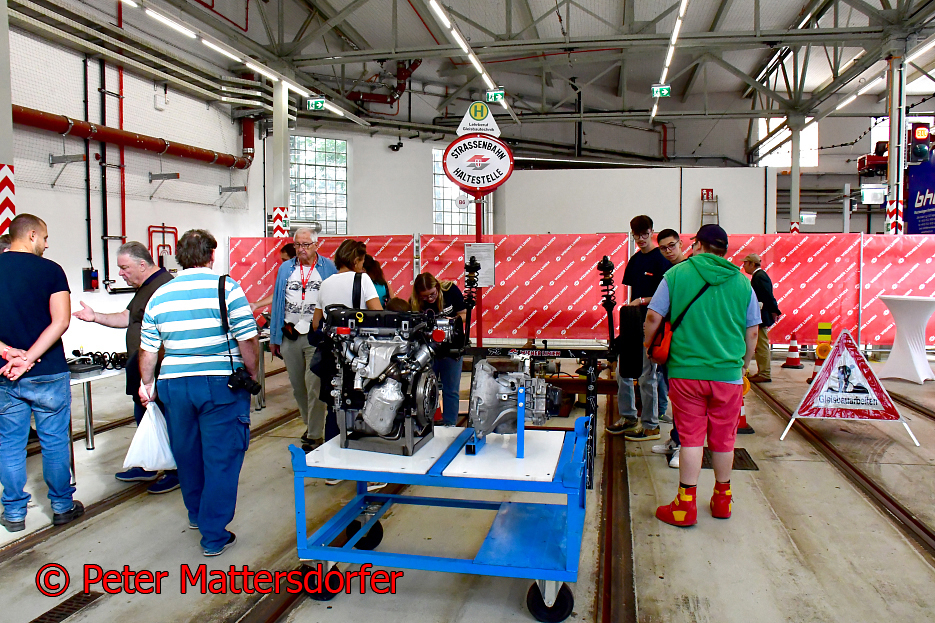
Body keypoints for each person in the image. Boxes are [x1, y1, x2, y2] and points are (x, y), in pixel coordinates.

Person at [139, 229, 259, 556]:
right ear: (211, 255)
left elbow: (148, 348)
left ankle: (196, 514)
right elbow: (247, 338)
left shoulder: (160, 294)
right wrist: (251, 372)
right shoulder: (226, 287)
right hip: (220, 384)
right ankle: (214, 535)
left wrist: (146, 383)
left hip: (174, 384)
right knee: (221, 457)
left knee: (187, 453)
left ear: (179, 257)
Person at [645, 224, 759, 527]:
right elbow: (752, 332)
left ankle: (685, 505)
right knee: (724, 439)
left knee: (692, 438)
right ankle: (722, 499)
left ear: (697, 245)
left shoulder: (676, 275)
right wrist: (743, 365)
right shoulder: (742, 282)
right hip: (728, 375)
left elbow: (653, 316)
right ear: (724, 250)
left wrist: (648, 346)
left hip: (686, 373)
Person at [0, 214, 84, 532]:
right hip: (47, 371)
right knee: (54, 441)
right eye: (45, 238)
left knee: (10, 444)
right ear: (32, 235)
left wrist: (9, 353)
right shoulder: (51, 270)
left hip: (5, 372)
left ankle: (14, 513)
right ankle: (62, 506)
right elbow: (61, 321)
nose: (47, 245)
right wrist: (30, 358)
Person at [72, 242, 177, 493]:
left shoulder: (163, 287)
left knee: (168, 420)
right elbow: (127, 318)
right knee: (145, 417)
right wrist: (95, 316)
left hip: (157, 370)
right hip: (140, 367)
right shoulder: (145, 287)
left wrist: (150, 377)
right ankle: (148, 464)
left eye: (124, 267)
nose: (120, 273)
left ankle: (176, 471)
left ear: (142, 264)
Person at [310, 239, 383, 490]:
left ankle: (333, 469)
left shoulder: (326, 283)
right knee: (366, 408)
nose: (363, 265)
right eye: (362, 261)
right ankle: (370, 474)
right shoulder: (363, 280)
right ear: (356, 260)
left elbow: (315, 324)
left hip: (333, 356)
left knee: (335, 407)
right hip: (360, 355)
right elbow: (379, 316)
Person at [269, 229, 337, 452]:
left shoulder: (327, 268)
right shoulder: (285, 269)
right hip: (290, 334)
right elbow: (278, 302)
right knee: (299, 388)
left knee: (314, 384)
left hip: (315, 336)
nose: (301, 249)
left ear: (316, 245)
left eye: (306, 245)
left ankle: (315, 434)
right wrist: (274, 337)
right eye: (297, 245)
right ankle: (312, 425)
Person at [608, 215, 671, 442]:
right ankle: (628, 416)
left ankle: (651, 425)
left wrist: (643, 301)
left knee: (647, 376)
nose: (641, 239)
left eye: (645, 234)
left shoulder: (661, 260)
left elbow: (668, 296)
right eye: (637, 235)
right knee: (622, 372)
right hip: (633, 322)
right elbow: (632, 293)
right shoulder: (635, 261)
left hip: (652, 325)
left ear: (652, 232)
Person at [410, 273, 466, 426]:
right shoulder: (414, 302)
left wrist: (452, 321)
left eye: (432, 294)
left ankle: (450, 425)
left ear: (437, 287)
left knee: (451, 390)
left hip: (452, 349)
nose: (429, 299)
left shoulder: (450, 290)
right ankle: (427, 424)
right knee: (425, 389)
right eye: (425, 296)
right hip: (428, 351)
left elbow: (464, 314)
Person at [652, 228, 687, 468]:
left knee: (687, 401)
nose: (668, 251)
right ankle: (676, 439)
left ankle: (685, 446)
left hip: (687, 344)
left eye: (671, 246)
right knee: (675, 395)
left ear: (681, 243)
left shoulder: (688, 272)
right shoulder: (668, 272)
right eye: (663, 248)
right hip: (670, 342)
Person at [742, 253, 781, 383]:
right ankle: (762, 372)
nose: (743, 266)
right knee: (759, 344)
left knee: (761, 345)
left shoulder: (759, 277)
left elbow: (768, 296)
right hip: (760, 315)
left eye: (745, 263)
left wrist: (775, 310)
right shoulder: (759, 276)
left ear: (752, 264)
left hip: (761, 316)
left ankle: (764, 373)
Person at [249, 243, 296, 312]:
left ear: (294, 258)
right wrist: (256, 305)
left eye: (285, 260)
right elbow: (278, 294)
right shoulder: (285, 274)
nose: (283, 264)